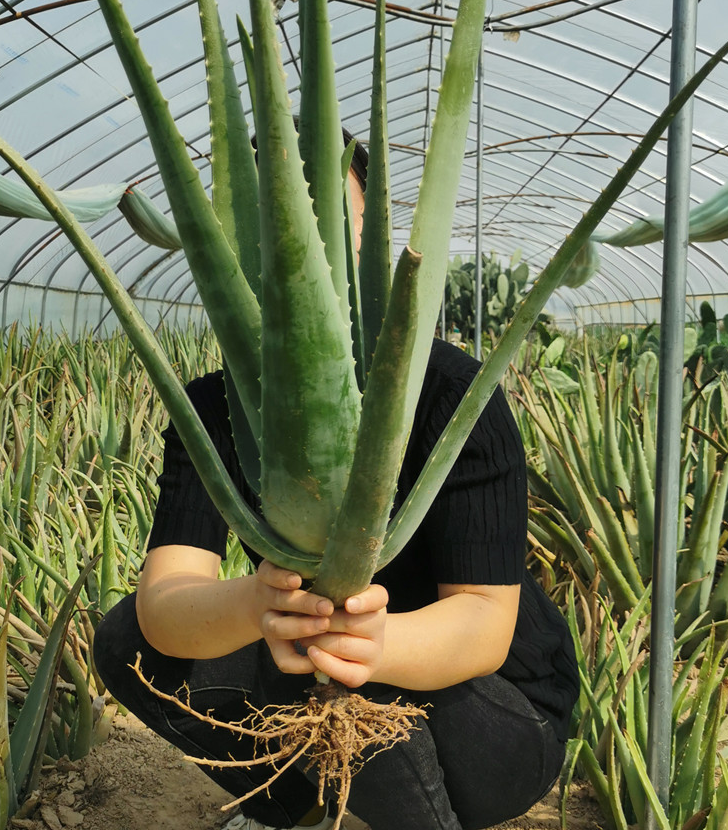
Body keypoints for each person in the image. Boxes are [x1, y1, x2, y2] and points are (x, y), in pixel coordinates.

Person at [94, 134, 579, 830]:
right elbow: (163, 604)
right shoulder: (212, 408)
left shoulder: (451, 395)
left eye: (331, 235)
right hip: (321, 666)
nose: (301, 264)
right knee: (125, 642)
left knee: (353, 671)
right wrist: (257, 606)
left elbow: (484, 624)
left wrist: (372, 644)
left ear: (371, 246)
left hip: (497, 713)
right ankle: (293, 805)